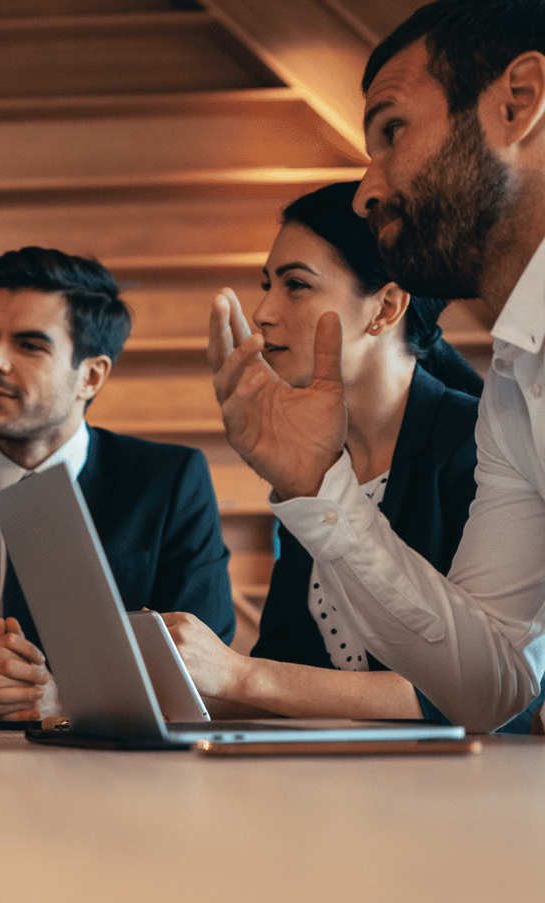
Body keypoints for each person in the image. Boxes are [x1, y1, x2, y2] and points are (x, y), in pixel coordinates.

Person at [208, 0, 545, 733]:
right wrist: (318, 490)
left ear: (517, 103)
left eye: (392, 130)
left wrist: (242, 676)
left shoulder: (474, 414)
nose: (368, 189)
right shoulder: (515, 392)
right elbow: (496, 687)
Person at [163, 182, 539, 729]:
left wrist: (241, 676)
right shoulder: (313, 457)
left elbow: (480, 693)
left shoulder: (479, 442)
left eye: (296, 285)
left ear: (386, 307)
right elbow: (291, 667)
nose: (263, 312)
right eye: (266, 285)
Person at [0, 247, 235, 722]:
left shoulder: (168, 483)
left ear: (90, 376)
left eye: (28, 345)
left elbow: (206, 674)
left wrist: (64, 699)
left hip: (121, 780)